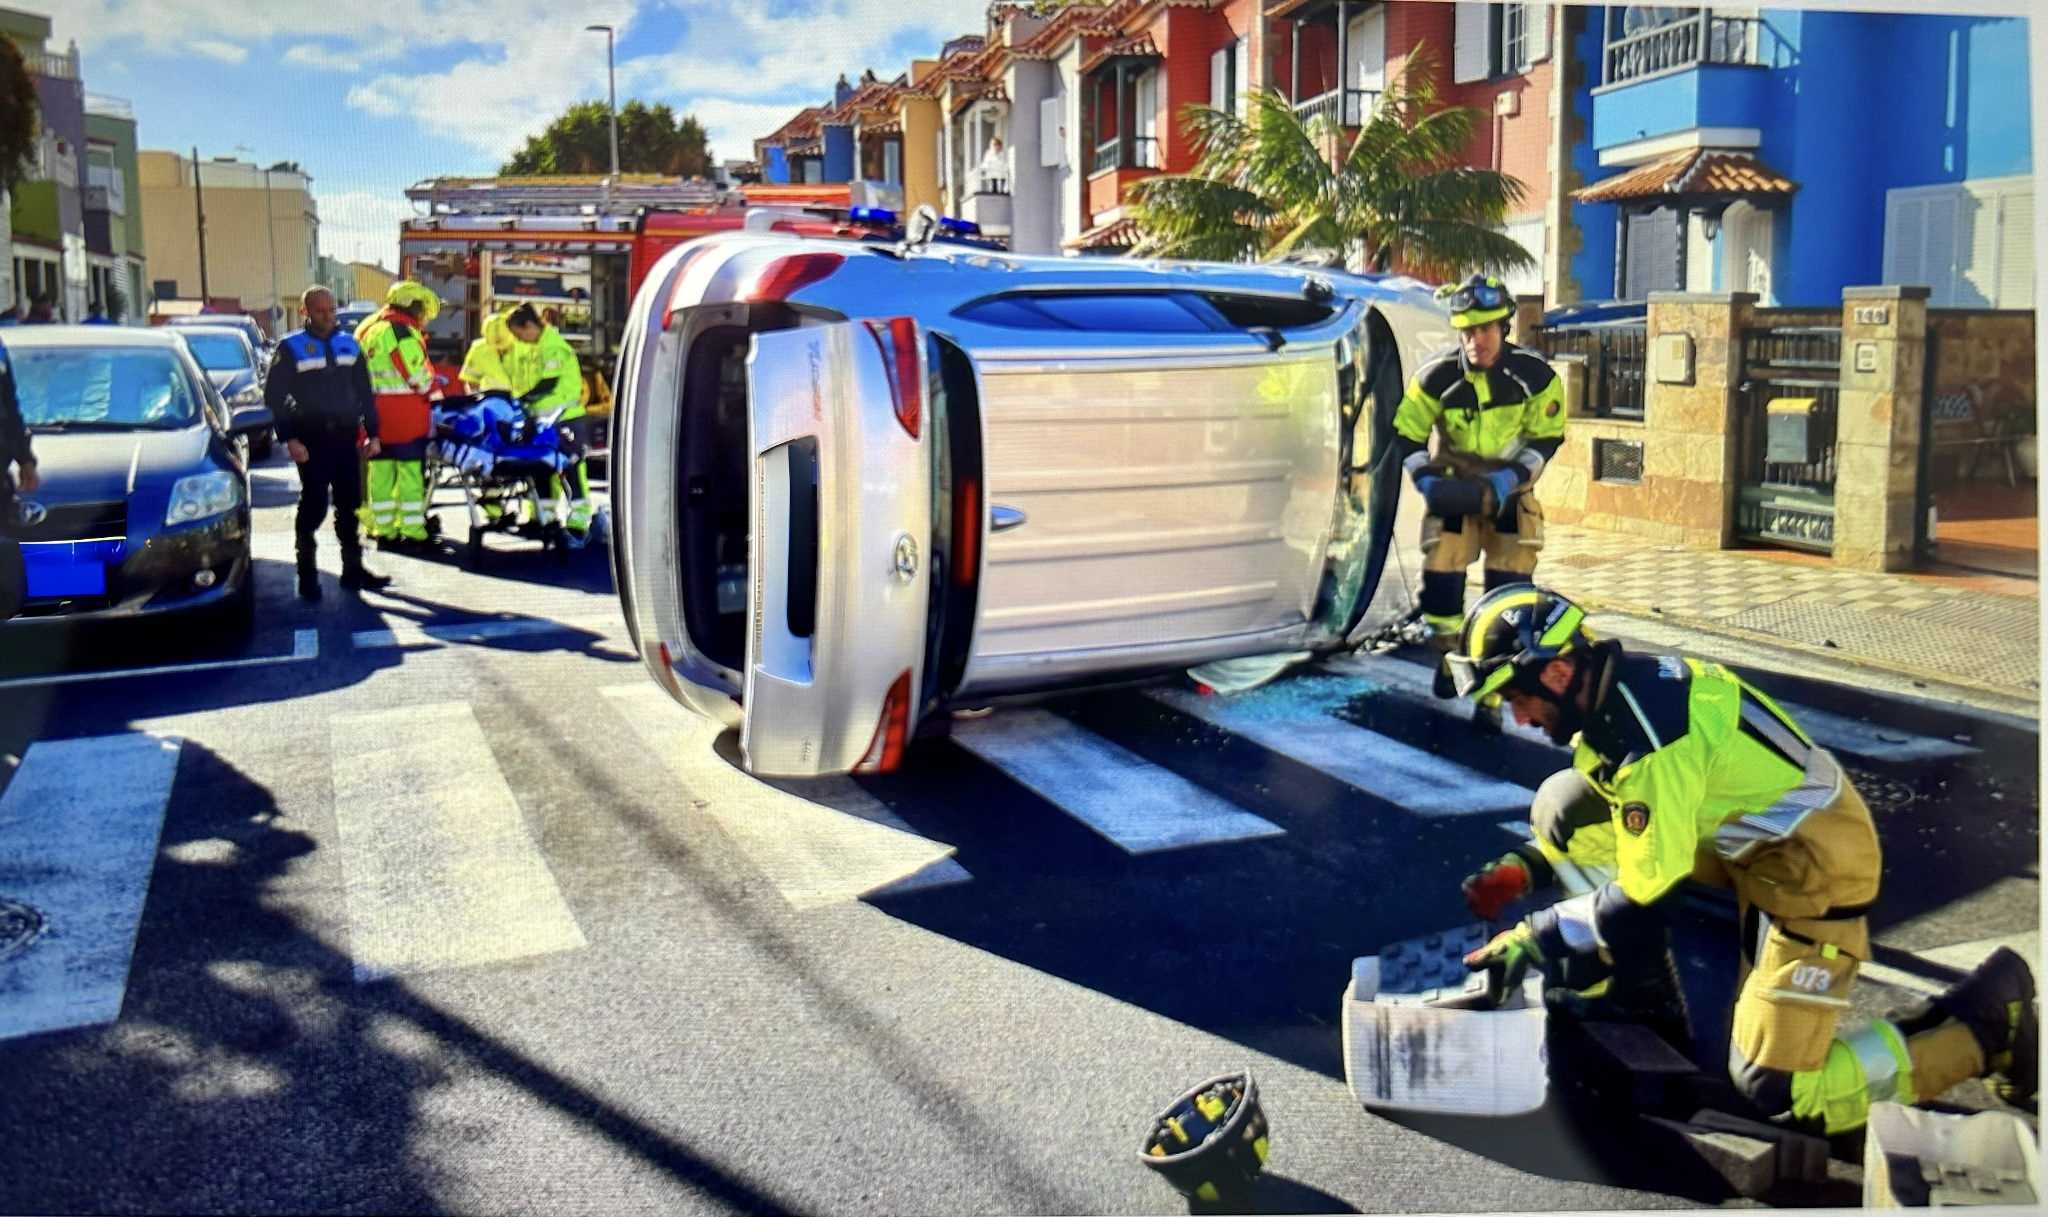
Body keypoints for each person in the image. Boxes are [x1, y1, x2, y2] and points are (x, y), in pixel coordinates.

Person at [1449, 584, 2037, 1136]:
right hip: (1747, 840)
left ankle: (1982, 1026)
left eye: (1517, 699)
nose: (1518, 719)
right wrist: (1527, 866)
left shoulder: (1651, 741)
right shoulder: (1619, 693)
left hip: (1814, 870)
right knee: (1563, 805)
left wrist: (1536, 936)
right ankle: (1630, 981)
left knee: (1777, 1091)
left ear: (1557, 671)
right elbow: (1610, 808)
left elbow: (1644, 888)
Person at [1392, 274, 1565, 667]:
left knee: (1510, 583)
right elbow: (1406, 435)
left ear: (1503, 327)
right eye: (1467, 331)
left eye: (1485, 329)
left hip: (1509, 497)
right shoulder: (1436, 378)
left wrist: (1511, 478)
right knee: (1442, 574)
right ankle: (1446, 655)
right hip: (1453, 493)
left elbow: (1547, 437)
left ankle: (1500, 664)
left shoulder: (1534, 377)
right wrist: (1426, 479)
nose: (1476, 341)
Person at [265, 286, 389, 599]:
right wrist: (289, 438)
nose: (328, 316)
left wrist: (373, 434)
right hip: (311, 441)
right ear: (306, 312)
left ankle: (353, 571)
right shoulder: (291, 347)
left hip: (346, 439)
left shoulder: (350, 344)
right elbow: (275, 398)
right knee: (314, 506)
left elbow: (365, 394)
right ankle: (307, 575)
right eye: (321, 311)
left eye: (332, 310)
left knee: (350, 506)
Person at [355, 281, 443, 550]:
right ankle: (413, 530)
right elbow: (416, 374)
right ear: (413, 307)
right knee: (410, 475)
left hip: (375, 414)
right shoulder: (401, 332)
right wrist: (437, 393)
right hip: (405, 416)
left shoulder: (371, 329)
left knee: (380, 474)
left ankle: (384, 529)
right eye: (422, 309)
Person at [506, 303, 593, 545]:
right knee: (541, 470)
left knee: (571, 471)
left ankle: (578, 524)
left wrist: (521, 399)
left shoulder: (553, 346)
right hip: (544, 420)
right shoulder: (538, 347)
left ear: (530, 326)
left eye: (519, 333)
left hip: (565, 418)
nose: (519, 339)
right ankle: (545, 520)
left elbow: (549, 384)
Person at [459, 310, 515, 395]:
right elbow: (471, 380)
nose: (499, 349)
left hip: (519, 402)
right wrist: (477, 400)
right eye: (494, 343)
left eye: (502, 343)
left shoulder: (524, 346)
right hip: (489, 401)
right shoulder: (479, 348)